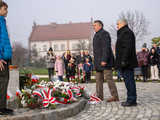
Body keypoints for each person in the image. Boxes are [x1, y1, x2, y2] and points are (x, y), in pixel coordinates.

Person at [93, 20, 119, 102]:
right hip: (98, 62)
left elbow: (106, 48)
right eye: (93, 26)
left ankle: (115, 96)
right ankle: (99, 96)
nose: (94, 27)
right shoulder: (96, 35)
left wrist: (104, 59)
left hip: (105, 62)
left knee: (109, 79)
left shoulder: (104, 34)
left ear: (100, 26)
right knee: (98, 80)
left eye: (95, 25)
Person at [115, 19, 138, 107]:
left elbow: (127, 48)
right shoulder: (123, 32)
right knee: (128, 81)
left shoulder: (126, 32)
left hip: (127, 62)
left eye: (118, 24)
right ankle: (131, 99)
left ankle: (131, 100)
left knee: (129, 81)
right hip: (124, 62)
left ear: (123, 24)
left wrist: (124, 60)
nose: (117, 26)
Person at [0, 1, 13, 115]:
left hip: (6, 57)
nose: (6, 11)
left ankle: (3, 106)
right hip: (1, 59)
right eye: (5, 9)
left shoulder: (2, 21)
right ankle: (1, 108)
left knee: (4, 81)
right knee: (2, 81)